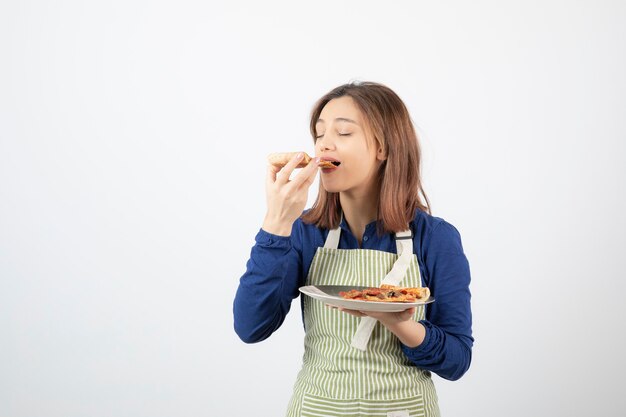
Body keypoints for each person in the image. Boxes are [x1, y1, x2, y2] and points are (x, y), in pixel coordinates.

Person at [233, 81, 473, 417]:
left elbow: (457, 361)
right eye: (318, 134)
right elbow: (251, 327)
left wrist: (399, 323)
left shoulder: (436, 238)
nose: (324, 144)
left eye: (343, 133)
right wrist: (276, 222)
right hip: (317, 408)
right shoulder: (303, 232)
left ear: (383, 148)